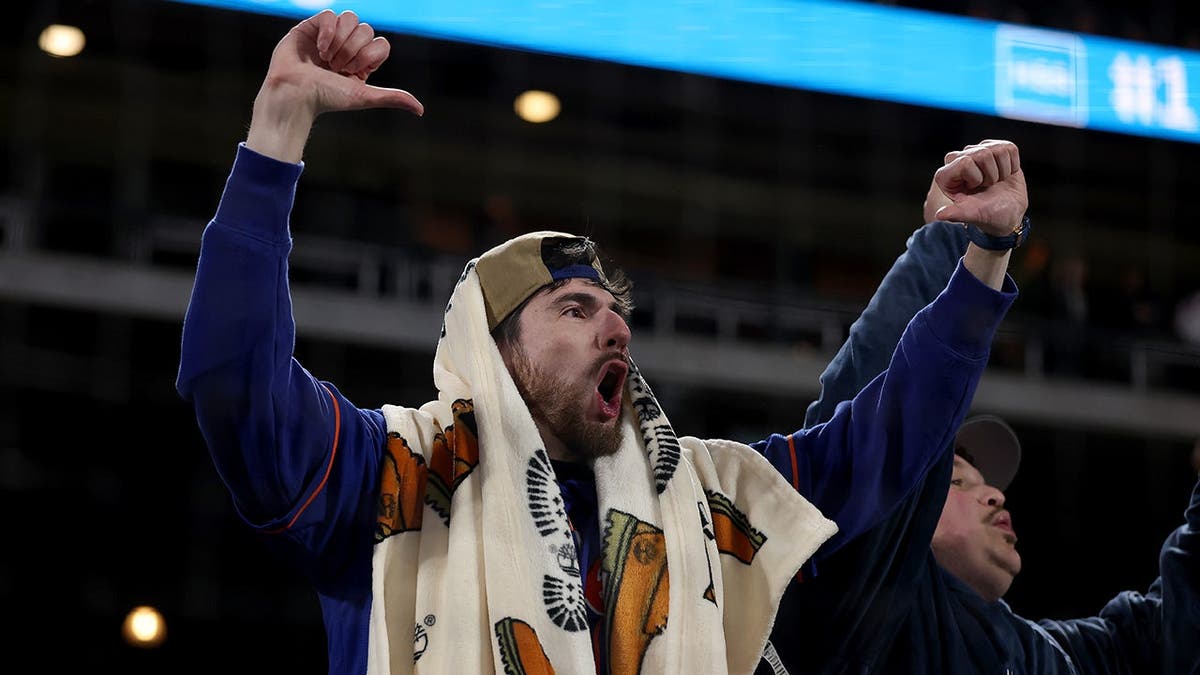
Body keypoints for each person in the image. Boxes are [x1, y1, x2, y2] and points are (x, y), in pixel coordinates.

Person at [176, 10, 1027, 674]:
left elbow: (889, 436)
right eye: (574, 309)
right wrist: (277, 129)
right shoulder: (387, 474)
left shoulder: (709, 496)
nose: (616, 326)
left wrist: (985, 256)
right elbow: (234, 383)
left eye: (614, 311)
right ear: (496, 353)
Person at [758, 170, 1200, 674]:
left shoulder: (1036, 653)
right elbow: (872, 408)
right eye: (957, 482)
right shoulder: (862, 602)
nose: (994, 495)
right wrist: (952, 239)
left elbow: (1165, 635)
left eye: (982, 482)